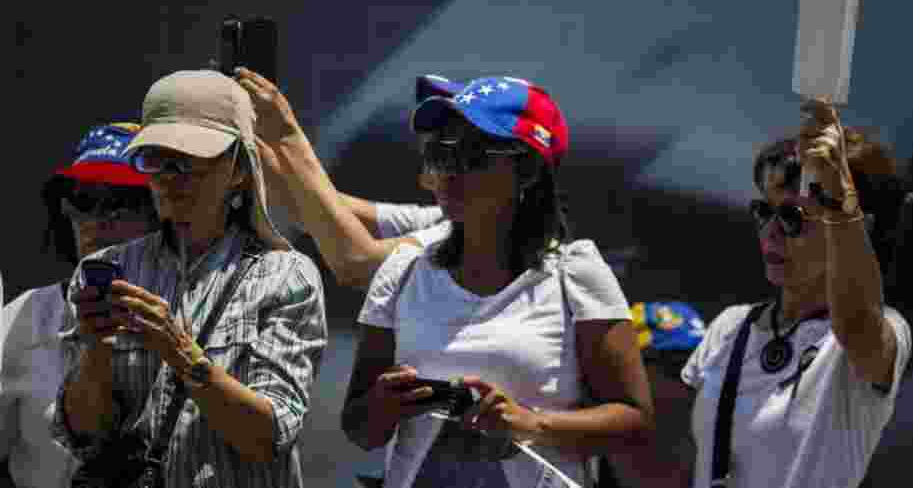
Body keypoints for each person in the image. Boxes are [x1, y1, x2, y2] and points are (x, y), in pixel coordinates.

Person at [340, 76, 656, 488]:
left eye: (470, 155)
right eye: (438, 153)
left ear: (526, 171)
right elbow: (360, 429)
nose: (447, 173)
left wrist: (528, 423)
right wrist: (382, 406)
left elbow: (635, 422)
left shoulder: (576, 274)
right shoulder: (402, 271)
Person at [50, 70, 327, 487]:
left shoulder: (286, 276)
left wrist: (179, 349)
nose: (168, 177)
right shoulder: (108, 270)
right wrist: (96, 351)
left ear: (238, 169)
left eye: (189, 160)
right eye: (155, 160)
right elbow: (86, 434)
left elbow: (268, 437)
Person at [678, 98, 913, 487]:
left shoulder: (877, 332)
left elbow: (857, 324)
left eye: (792, 217)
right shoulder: (730, 327)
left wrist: (839, 202)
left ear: (859, 226)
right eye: (763, 210)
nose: (769, 231)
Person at [0, 123, 159, 487]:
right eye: (83, 199)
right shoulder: (20, 320)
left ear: (158, 213)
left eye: (121, 200)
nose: (99, 219)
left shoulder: (202, 312)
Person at [236, 69, 462, 288]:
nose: (426, 180)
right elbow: (312, 209)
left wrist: (287, 136)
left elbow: (358, 262)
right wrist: (255, 146)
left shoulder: (467, 229)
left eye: (444, 158)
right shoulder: (442, 220)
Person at [597, 301, 706, 488]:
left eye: (705, 364)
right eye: (677, 365)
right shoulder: (577, 465)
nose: (696, 379)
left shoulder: (732, 454)